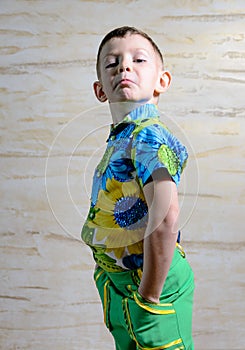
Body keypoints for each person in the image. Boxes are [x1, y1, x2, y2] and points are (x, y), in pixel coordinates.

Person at [81, 26, 194, 350]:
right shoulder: (124, 137)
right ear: (100, 89)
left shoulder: (147, 135)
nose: (124, 66)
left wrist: (149, 294)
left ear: (162, 81)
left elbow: (166, 218)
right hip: (120, 281)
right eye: (112, 62)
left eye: (138, 59)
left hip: (148, 280)